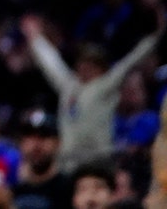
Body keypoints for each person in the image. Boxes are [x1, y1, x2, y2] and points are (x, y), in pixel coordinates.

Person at [20, 13, 161, 173]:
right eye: (82, 63)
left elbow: (132, 60)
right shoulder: (69, 86)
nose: (85, 67)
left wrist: (157, 35)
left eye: (91, 63)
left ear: (101, 67)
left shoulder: (106, 85)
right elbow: (51, 63)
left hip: (98, 162)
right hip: (68, 163)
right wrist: (35, 38)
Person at [9, 108, 73, 209]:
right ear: (20, 143)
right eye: (30, 137)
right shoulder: (10, 189)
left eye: (44, 136)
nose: (36, 145)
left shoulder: (70, 189)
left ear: (58, 143)